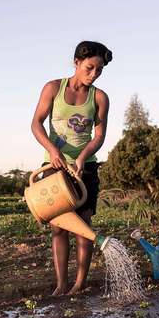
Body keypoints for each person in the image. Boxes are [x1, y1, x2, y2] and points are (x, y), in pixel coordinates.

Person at [31, 41, 112, 296]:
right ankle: (61, 285)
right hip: (54, 167)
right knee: (59, 227)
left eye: (99, 70)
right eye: (89, 68)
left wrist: (82, 157)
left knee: (84, 226)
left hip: (84, 168)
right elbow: (36, 124)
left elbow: (98, 136)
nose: (93, 74)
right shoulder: (53, 88)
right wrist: (53, 152)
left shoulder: (99, 98)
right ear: (76, 62)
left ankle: (79, 285)